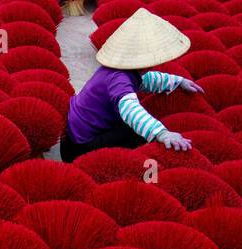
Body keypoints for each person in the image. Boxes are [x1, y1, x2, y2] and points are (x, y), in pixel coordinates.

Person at [60, 7, 205, 160]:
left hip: (75, 136)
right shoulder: (119, 79)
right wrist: (162, 133)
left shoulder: (121, 70)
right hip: (80, 147)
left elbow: (147, 81)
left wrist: (178, 81)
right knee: (137, 133)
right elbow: (130, 110)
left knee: (137, 125)